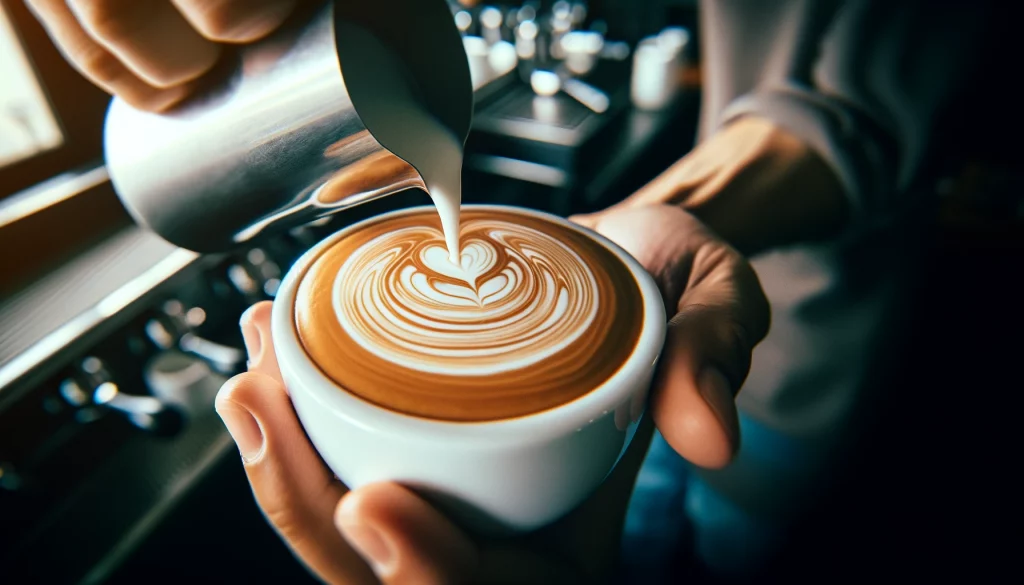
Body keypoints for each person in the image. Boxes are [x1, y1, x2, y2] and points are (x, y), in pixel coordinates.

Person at [29, 0, 987, 582]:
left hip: (807, 366)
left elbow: (856, 115)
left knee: (741, 548)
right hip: (617, 419)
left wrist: (694, 211)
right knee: (644, 515)